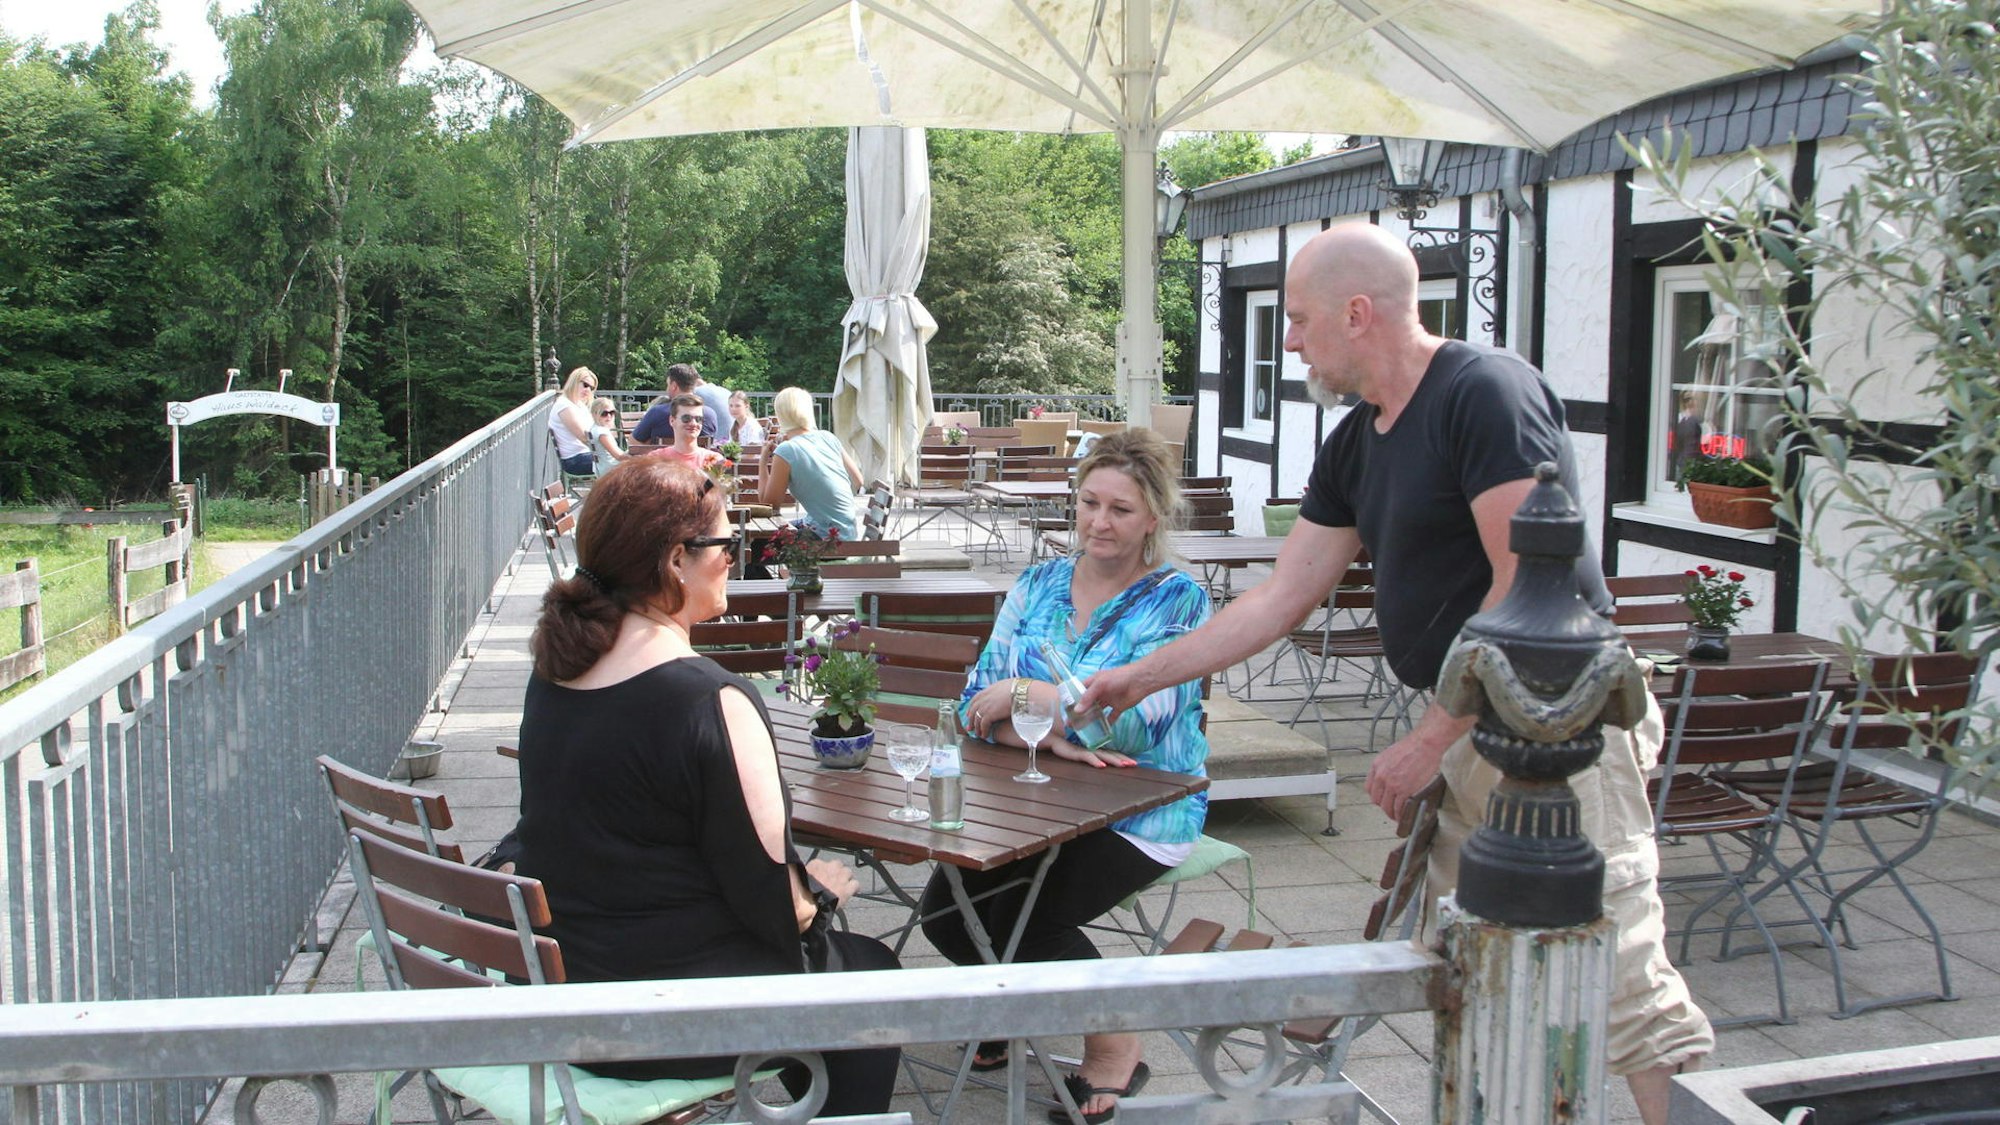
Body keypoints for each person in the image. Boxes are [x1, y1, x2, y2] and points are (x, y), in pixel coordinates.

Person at [1077, 224, 1713, 1125]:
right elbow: (1280, 598)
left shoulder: (1483, 393)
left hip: (1562, 731)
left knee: (1621, 973)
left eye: (1297, 319)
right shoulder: (1356, 442)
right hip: (1473, 727)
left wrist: (1427, 739)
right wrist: (1141, 674)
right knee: (1478, 965)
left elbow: (1525, 588)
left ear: (1358, 313)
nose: (1289, 339)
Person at [512, 459, 901, 1115]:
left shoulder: (554, 673)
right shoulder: (711, 699)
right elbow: (777, 909)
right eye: (727, 543)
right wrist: (819, 894)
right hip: (672, 1020)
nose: (736, 557)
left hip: (569, 995)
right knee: (872, 975)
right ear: (675, 562)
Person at [922, 430, 1210, 1125]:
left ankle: (1115, 1044)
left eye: (1121, 509)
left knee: (1029, 920)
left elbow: (1142, 726)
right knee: (944, 910)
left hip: (1142, 806)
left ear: (1153, 519)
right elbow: (972, 703)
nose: (1099, 522)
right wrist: (1057, 723)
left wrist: (1032, 700)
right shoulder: (1038, 583)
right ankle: (1009, 1007)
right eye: (1089, 503)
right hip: (1034, 793)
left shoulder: (1177, 601)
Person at [759, 387, 863, 540]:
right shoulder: (828, 438)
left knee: (756, 545)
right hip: (847, 533)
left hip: (826, 539)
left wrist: (762, 462)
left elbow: (768, 507)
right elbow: (858, 481)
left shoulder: (787, 450)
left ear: (781, 415)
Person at [636, 363, 730, 443]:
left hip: (663, 463)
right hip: (698, 464)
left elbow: (634, 443)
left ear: (674, 386)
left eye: (668, 384)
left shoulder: (656, 412)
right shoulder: (710, 414)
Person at [647, 394, 729, 474]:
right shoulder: (656, 459)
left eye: (698, 419)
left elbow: (720, 486)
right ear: (672, 420)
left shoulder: (714, 460)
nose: (693, 423)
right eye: (686, 418)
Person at [548, 366, 598, 476]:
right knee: (622, 465)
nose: (588, 390)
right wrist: (610, 451)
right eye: (585, 385)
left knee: (626, 463)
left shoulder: (579, 405)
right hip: (575, 460)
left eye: (591, 388)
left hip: (585, 455)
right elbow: (584, 438)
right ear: (574, 382)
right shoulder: (564, 405)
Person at [588, 396, 632, 475]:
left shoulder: (594, 429)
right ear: (595, 414)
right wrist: (641, 458)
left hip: (605, 467)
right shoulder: (601, 433)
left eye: (612, 413)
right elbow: (619, 456)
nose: (609, 416)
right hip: (611, 470)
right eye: (604, 413)